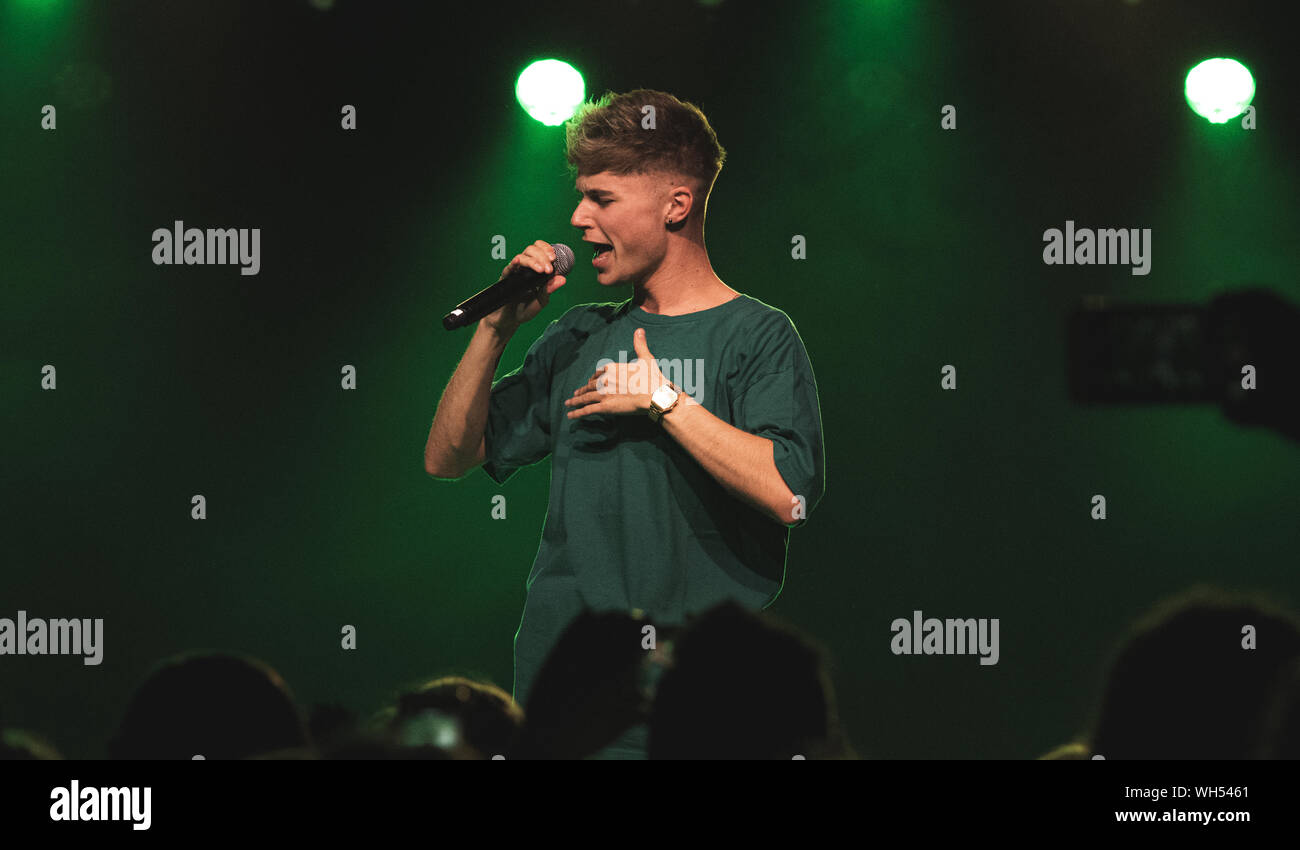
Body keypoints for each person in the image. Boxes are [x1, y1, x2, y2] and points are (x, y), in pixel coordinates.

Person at [424, 89, 826, 758]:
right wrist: (496, 329)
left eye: (602, 199)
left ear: (675, 204)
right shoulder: (578, 334)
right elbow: (449, 457)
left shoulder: (758, 335)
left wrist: (665, 403)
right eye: (580, 197)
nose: (577, 220)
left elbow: (791, 493)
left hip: (699, 700)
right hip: (563, 694)